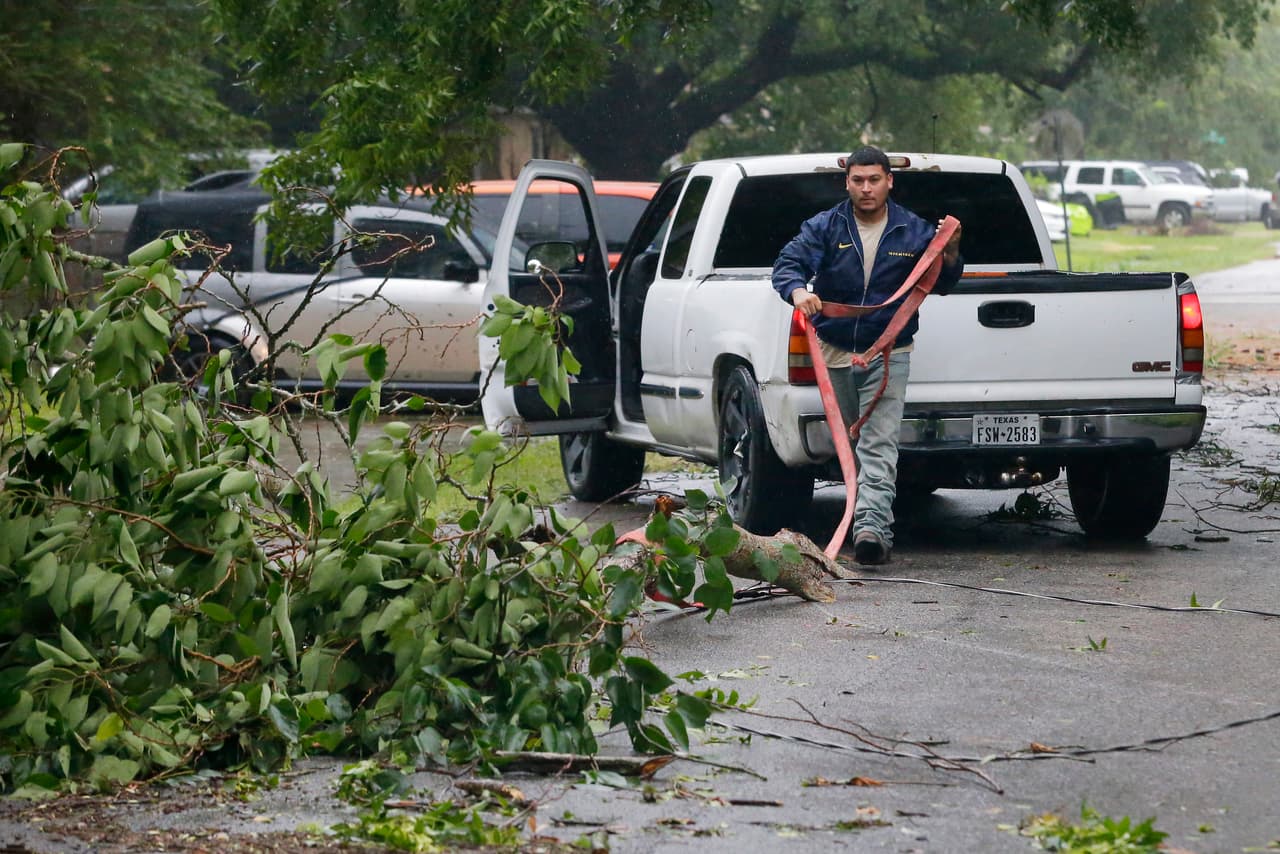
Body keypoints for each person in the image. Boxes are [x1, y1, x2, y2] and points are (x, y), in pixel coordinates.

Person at [771, 146, 963, 566]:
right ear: (847, 182)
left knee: (878, 441)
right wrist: (800, 291)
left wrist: (950, 254)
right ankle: (864, 513)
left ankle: (872, 531)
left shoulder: (914, 230)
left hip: (889, 352)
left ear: (889, 181)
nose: (866, 188)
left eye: (874, 179)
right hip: (834, 349)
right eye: (858, 180)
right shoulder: (824, 225)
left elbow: (943, 283)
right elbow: (788, 264)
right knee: (851, 441)